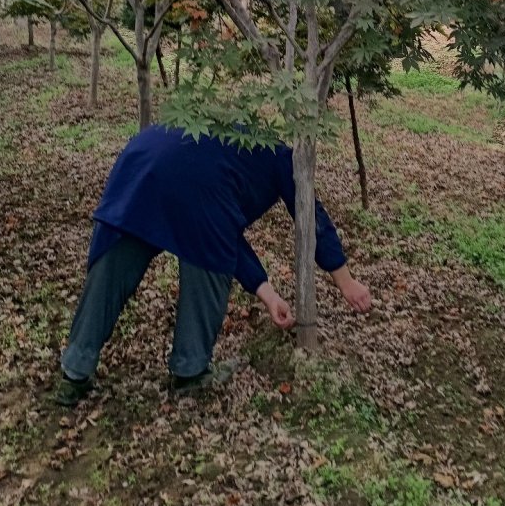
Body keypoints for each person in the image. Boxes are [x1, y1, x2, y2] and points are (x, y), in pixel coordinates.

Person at [56, 124, 371, 405]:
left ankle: (75, 370)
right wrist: (345, 280)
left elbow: (224, 230)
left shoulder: (224, 140)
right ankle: (190, 369)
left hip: (140, 162)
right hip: (189, 182)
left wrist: (269, 295)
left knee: (114, 267)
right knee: (209, 263)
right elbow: (309, 217)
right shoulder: (282, 159)